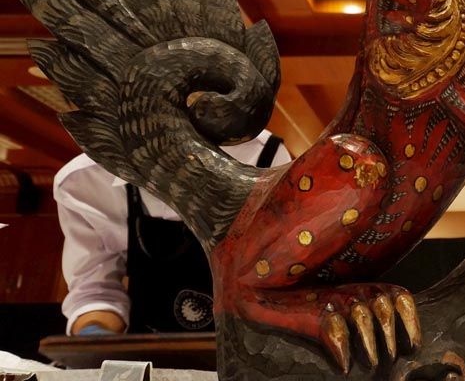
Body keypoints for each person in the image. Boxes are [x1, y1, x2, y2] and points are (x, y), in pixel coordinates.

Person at [56, 130, 290, 335]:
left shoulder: (263, 157)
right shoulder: (85, 183)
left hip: (245, 350)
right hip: (148, 354)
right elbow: (96, 292)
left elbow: (283, 284)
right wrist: (94, 333)